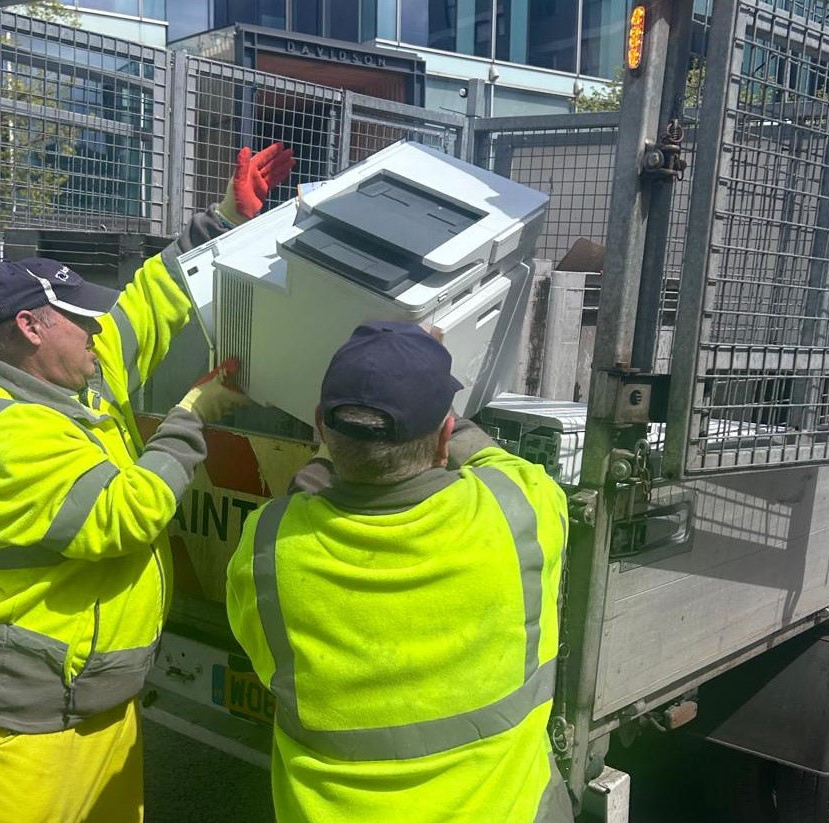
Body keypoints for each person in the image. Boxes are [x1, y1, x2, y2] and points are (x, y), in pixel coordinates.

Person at [0, 143, 295, 823]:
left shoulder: (82, 378)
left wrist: (223, 218)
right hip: (25, 725)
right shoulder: (5, 434)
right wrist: (194, 415)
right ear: (31, 327)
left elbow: (148, 305)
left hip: (93, 704)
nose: (102, 329)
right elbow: (125, 514)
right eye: (82, 318)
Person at [226, 320, 574, 823]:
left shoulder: (268, 546)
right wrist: (423, 386)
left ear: (320, 425)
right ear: (445, 435)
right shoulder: (521, 511)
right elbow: (494, 460)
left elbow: (266, 657)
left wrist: (326, 463)